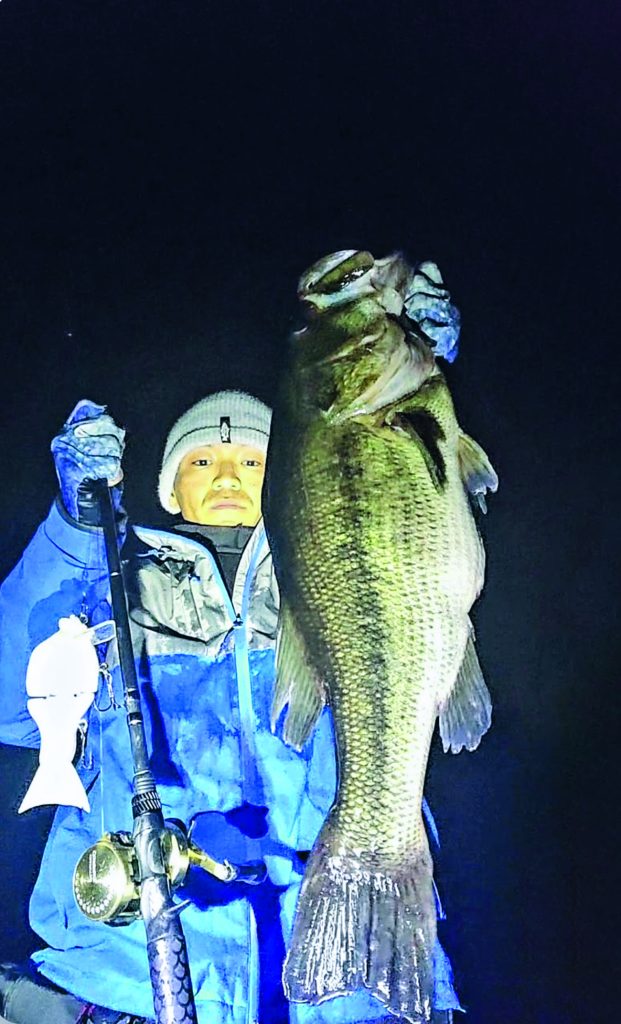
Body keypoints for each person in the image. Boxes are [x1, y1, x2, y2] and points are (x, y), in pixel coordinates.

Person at [0, 266, 462, 1024]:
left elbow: (425, 529)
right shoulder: (104, 580)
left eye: (252, 461)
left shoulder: (345, 569)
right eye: (200, 462)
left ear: (290, 473)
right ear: (166, 489)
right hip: (126, 977)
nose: (225, 474)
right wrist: (72, 526)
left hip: (346, 981)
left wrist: (423, 383)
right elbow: (10, 711)